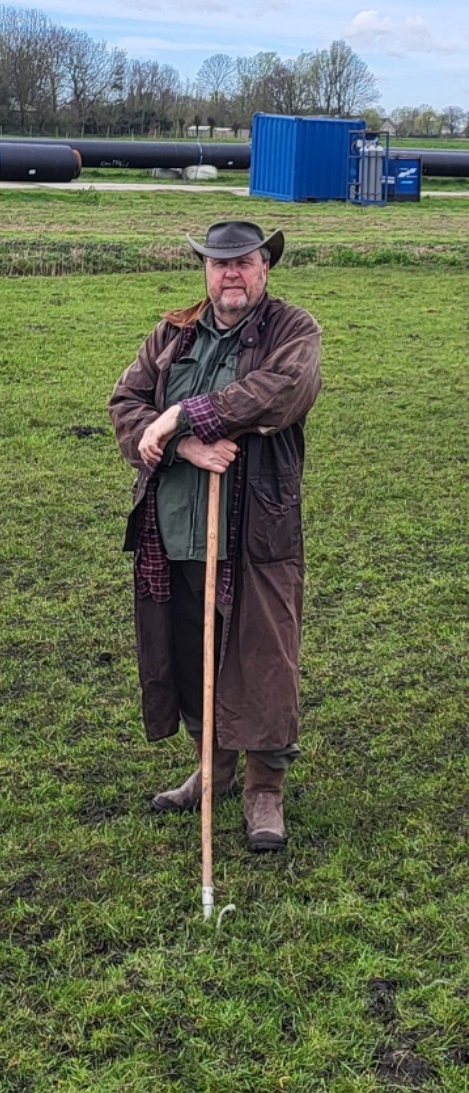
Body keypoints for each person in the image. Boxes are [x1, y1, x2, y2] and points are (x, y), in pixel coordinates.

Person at [108, 220, 322, 851]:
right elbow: (126, 405)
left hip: (255, 529)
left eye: (245, 262)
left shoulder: (293, 330)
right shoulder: (172, 334)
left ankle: (265, 792)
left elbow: (282, 393)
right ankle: (214, 768)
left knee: (262, 660)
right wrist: (185, 444)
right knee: (191, 653)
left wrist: (185, 412)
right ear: (205, 270)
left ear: (265, 269)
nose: (231, 274)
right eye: (219, 263)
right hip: (174, 527)